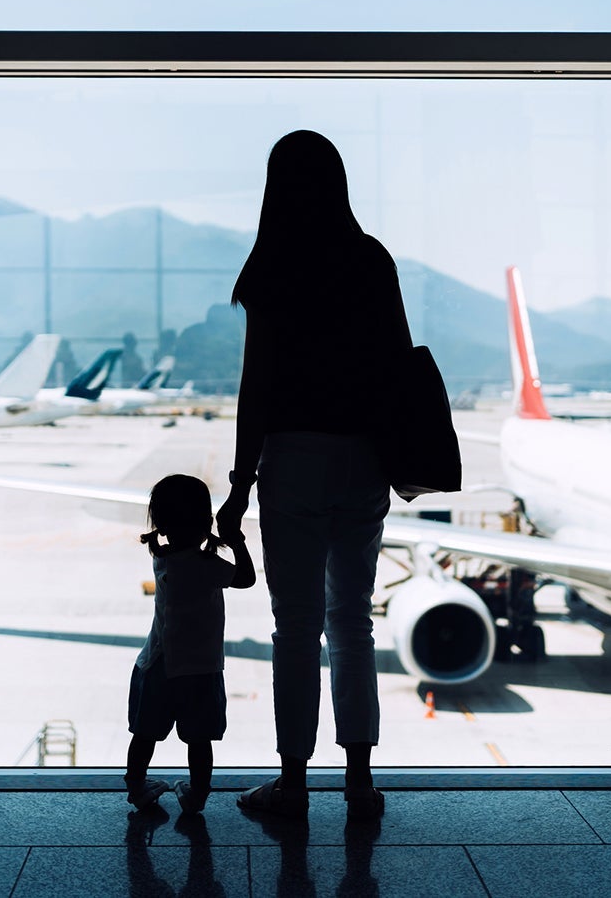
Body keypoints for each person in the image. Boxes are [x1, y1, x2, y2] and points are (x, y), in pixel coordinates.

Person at [216, 130, 410, 821]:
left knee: (294, 626)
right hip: (362, 458)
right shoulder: (370, 261)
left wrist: (240, 482)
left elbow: (255, 386)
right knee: (352, 619)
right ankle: (359, 777)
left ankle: (293, 782)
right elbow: (397, 365)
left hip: (291, 459)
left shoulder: (272, 266)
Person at [126, 473, 257, 814]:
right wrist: (235, 540)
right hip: (199, 667)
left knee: (145, 734)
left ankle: (137, 787)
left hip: (156, 662)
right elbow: (246, 578)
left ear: (162, 523)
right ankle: (196, 795)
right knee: (199, 739)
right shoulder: (205, 566)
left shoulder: (163, 557)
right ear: (205, 521)